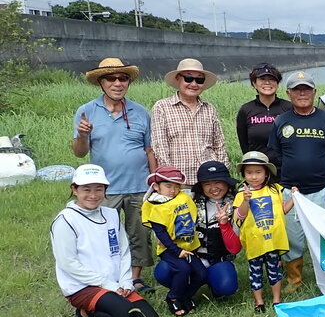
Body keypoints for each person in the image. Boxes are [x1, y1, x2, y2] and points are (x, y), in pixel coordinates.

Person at [72, 58, 157, 294]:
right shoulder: (87, 111)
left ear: (128, 82)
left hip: (139, 185)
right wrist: (81, 135)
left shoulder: (140, 112)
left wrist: (155, 181)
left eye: (123, 78)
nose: (118, 83)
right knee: (104, 235)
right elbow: (80, 153)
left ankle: (135, 278)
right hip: (104, 189)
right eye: (111, 78)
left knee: (140, 233)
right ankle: (106, 279)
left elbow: (149, 149)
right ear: (101, 83)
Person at [50, 164, 160, 317]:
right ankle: (84, 312)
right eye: (86, 190)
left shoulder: (111, 214)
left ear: (105, 190)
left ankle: (111, 303)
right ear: (74, 189)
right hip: (83, 286)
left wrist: (125, 282)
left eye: (98, 189)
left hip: (115, 283)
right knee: (125, 315)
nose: (93, 195)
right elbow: (68, 263)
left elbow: (123, 252)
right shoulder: (65, 220)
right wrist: (108, 285)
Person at [267, 71, 325, 294]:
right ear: (288, 93)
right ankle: (294, 279)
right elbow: (276, 155)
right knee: (293, 238)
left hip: (324, 189)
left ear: (314, 92)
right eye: (296, 89)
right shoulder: (281, 121)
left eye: (306, 89)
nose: (302, 93)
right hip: (291, 192)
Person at [233, 152, 296, 313]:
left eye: (258, 172)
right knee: (255, 273)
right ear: (244, 174)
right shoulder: (241, 194)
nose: (253, 176)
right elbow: (239, 217)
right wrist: (246, 201)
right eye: (249, 173)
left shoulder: (275, 190)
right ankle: (259, 302)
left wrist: (294, 199)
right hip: (255, 242)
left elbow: (282, 211)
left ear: (266, 173)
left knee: (274, 270)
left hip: (273, 241)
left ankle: (276, 300)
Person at [151, 58, 229, 186]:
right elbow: (160, 147)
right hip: (179, 182)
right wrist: (171, 179)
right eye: (188, 78)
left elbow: (219, 146)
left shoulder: (209, 109)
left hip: (208, 181)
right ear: (178, 79)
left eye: (199, 80)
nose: (194, 84)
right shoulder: (162, 107)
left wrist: (222, 175)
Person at [141, 165, 207, 317]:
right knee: (183, 269)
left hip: (188, 246)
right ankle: (173, 297)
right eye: (168, 186)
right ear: (156, 186)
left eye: (176, 186)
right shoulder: (155, 205)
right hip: (169, 249)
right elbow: (161, 234)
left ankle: (186, 295)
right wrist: (177, 251)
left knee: (202, 274)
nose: (173, 190)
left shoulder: (182, 198)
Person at [187, 161, 242, 298]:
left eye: (218, 182)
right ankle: (185, 286)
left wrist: (224, 224)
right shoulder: (190, 202)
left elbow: (235, 248)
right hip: (194, 259)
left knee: (226, 286)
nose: (213, 188)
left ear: (227, 183)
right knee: (165, 270)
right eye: (207, 184)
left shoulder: (236, 204)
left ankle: (216, 281)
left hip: (220, 259)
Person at [235, 63, 292, 163]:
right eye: (262, 79)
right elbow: (244, 145)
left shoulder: (289, 108)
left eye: (272, 79)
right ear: (254, 84)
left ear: (277, 83)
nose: (267, 83)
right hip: (258, 170)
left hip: (286, 169)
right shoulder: (246, 110)